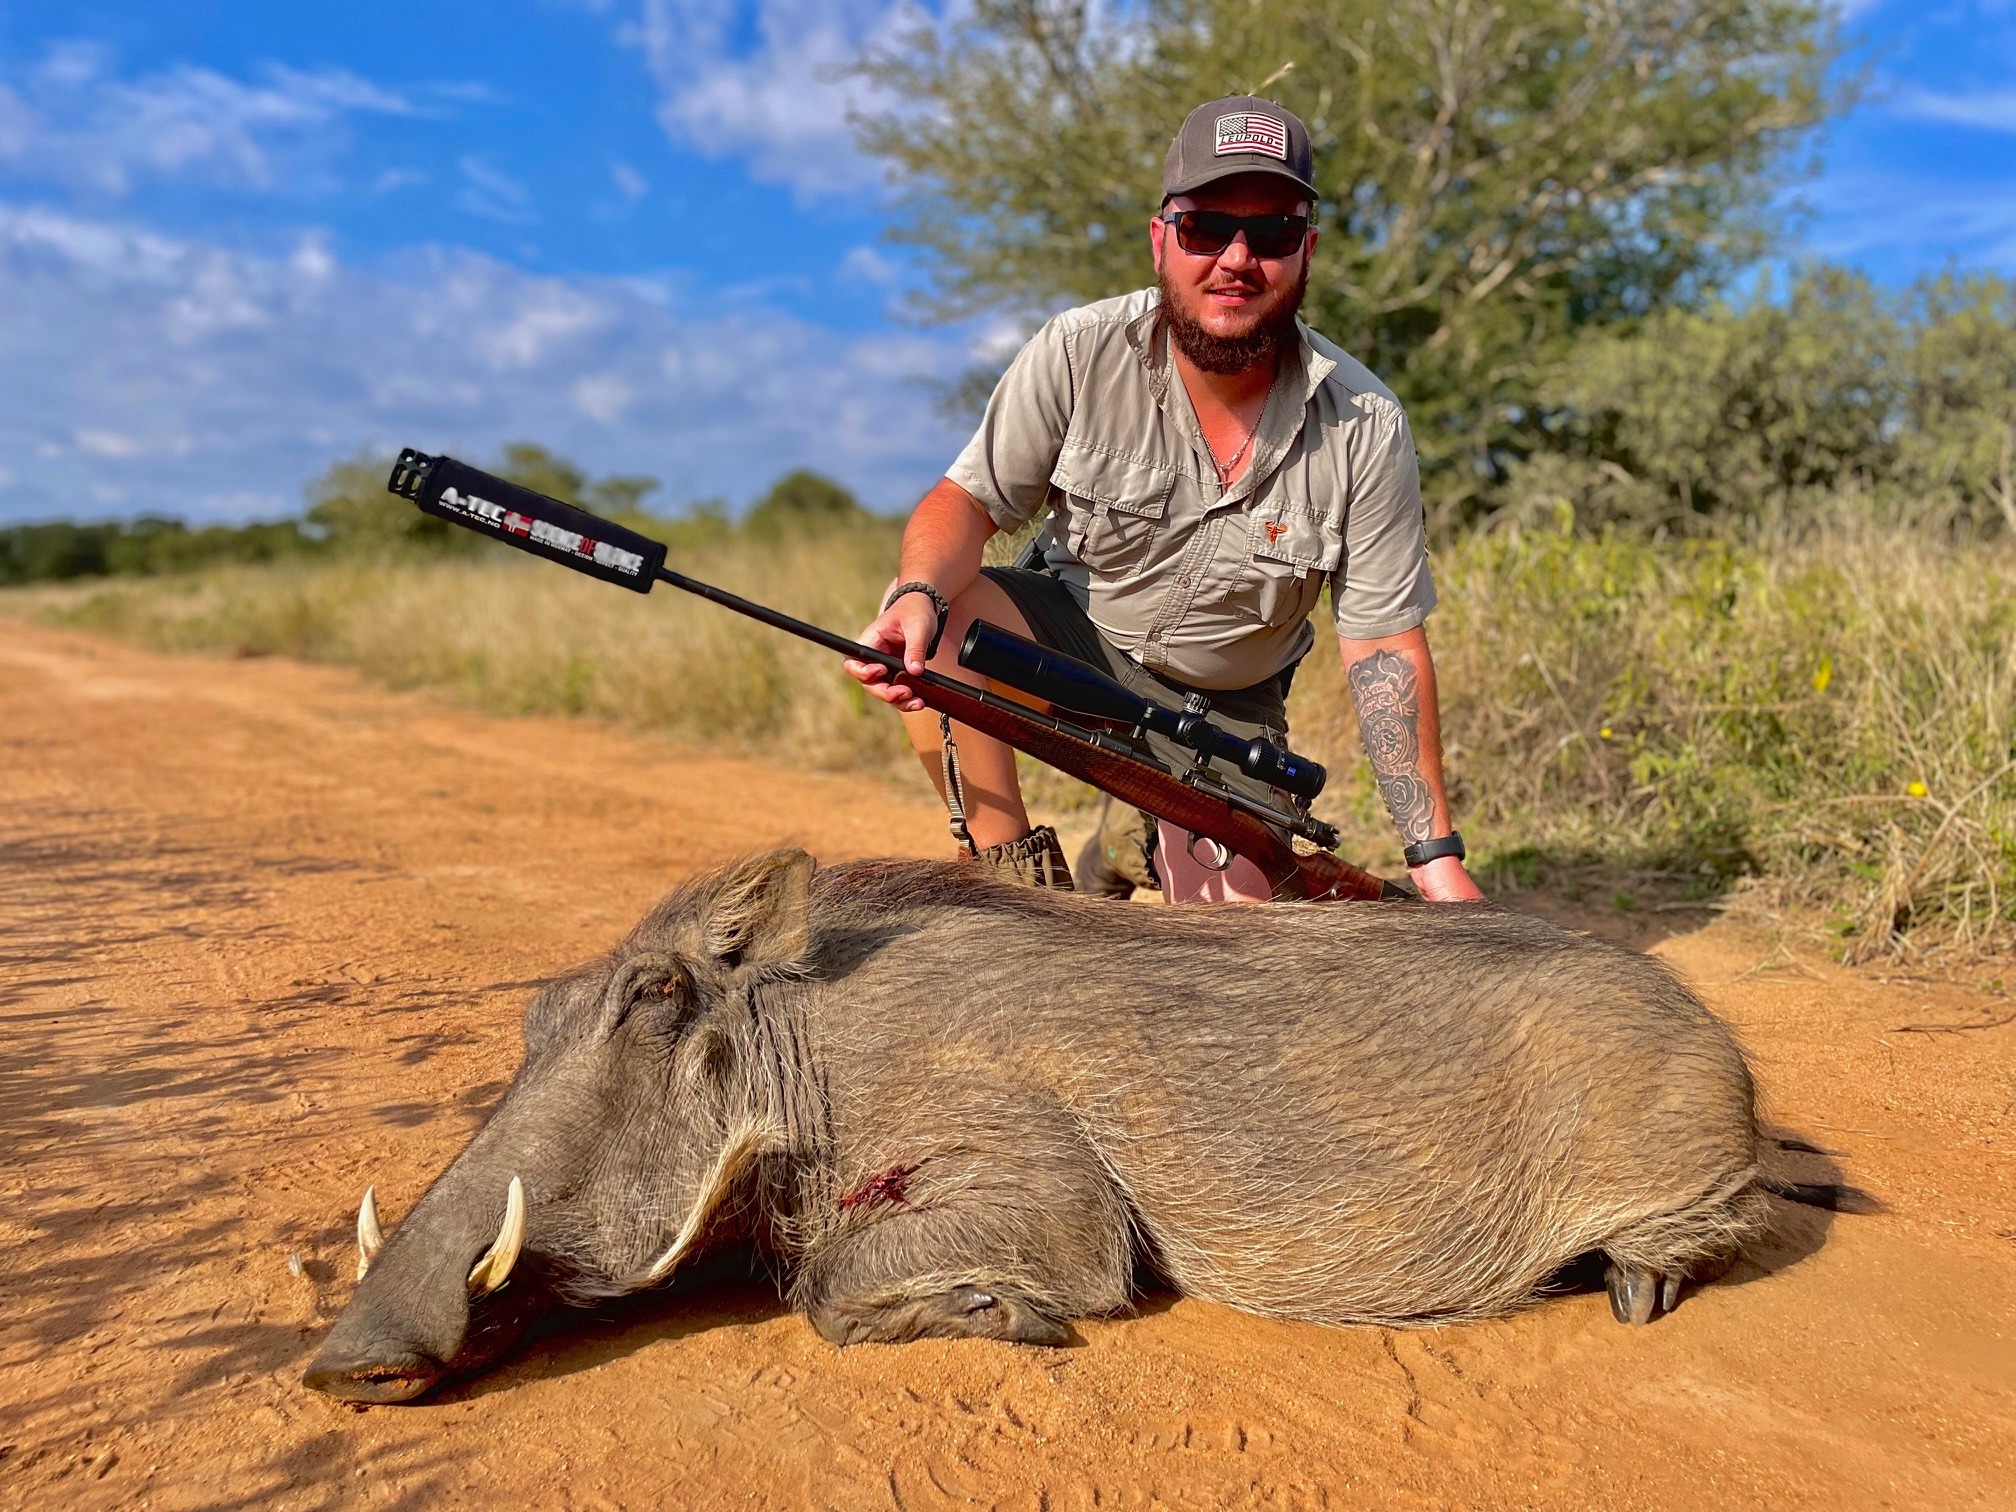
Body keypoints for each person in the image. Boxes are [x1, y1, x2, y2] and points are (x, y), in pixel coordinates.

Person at [844, 95, 1484, 903]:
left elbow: (1384, 647)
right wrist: (914, 593)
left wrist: (1435, 857)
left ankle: (1132, 838)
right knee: (930, 626)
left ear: (1307, 251)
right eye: (1207, 228)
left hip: (1226, 712)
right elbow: (965, 502)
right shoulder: (1077, 351)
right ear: (1161, 241)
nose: (1238, 258)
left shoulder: (1367, 421)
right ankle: (1016, 903)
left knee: (1234, 961)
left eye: (1274, 232)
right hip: (1072, 645)